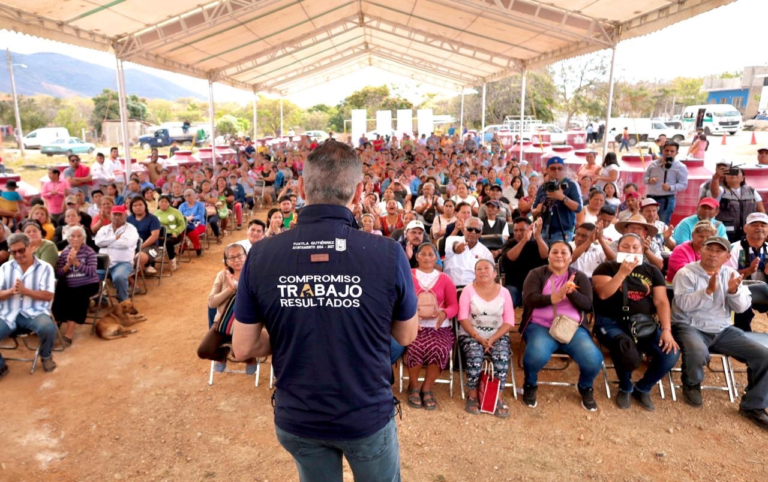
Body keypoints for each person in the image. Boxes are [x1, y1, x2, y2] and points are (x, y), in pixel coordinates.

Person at [232, 141, 418, 481]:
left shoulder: (260, 255)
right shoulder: (388, 253)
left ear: (301, 187)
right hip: (364, 414)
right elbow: (406, 335)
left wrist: (294, 327)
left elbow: (242, 347)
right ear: (360, 190)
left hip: (299, 416)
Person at [671, 236, 768, 430]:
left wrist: (733, 292)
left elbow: (741, 308)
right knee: (697, 351)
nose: (713, 254)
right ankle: (692, 383)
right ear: (701, 251)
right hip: (690, 325)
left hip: (722, 329)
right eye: (710, 249)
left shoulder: (730, 274)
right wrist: (707, 291)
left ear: (727, 256)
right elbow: (683, 305)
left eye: (719, 251)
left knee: (764, 356)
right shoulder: (686, 273)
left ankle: (753, 406)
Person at [592, 233, 680, 411]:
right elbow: (603, 293)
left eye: (635, 247)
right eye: (625, 246)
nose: (630, 250)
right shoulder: (605, 267)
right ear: (618, 248)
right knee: (624, 346)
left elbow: (661, 301)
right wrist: (622, 273)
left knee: (670, 353)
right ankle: (625, 386)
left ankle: (643, 388)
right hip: (611, 322)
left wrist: (666, 329)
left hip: (643, 323)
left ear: (642, 250)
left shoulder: (652, 271)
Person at [520, 241, 602, 410]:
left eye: (564, 252)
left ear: (571, 257)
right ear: (548, 256)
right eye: (554, 252)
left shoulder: (580, 277)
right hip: (540, 326)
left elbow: (587, 305)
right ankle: (530, 384)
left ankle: (585, 386)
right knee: (535, 356)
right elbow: (528, 299)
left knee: (593, 359)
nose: (559, 255)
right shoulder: (536, 273)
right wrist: (554, 298)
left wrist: (572, 294)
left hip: (572, 327)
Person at [457, 259, 515, 417]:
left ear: (495, 273)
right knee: (475, 355)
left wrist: (493, 338)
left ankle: (498, 396)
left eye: (486, 268)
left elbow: (510, 321)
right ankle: (473, 395)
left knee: (501, 356)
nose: (482, 271)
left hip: (498, 334)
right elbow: (462, 318)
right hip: (471, 334)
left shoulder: (504, 292)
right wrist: (478, 337)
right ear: (474, 273)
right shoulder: (468, 290)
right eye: (479, 269)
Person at [404, 243, 459, 411]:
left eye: (431, 254)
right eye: (423, 254)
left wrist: (444, 314)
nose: (427, 257)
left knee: (439, 348)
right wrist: (411, 319)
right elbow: (400, 301)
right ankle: (413, 386)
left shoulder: (445, 279)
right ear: (417, 256)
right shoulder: (408, 275)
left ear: (436, 258)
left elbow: (453, 306)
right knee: (415, 347)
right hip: (415, 325)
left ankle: (426, 388)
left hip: (438, 327)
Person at [0, 233, 57, 378]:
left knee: (48, 328)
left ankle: (46, 355)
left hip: (34, 312)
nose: (18, 255)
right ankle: (1, 366)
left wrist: (25, 291)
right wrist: (11, 291)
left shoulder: (45, 268)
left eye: (21, 250)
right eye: (14, 252)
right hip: (7, 312)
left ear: (30, 247)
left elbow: (48, 295)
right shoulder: (5, 268)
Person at [199, 243, 258, 373]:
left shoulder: (255, 274)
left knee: (238, 353)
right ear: (226, 261)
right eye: (231, 257)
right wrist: (230, 289)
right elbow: (212, 303)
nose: (236, 260)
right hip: (223, 322)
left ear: (246, 256)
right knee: (203, 351)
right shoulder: (222, 275)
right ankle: (222, 354)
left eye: (239, 256)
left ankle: (250, 359)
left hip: (247, 324)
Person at [53, 226, 99, 345]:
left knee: (76, 296)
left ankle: (69, 332)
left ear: (83, 238)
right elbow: (59, 274)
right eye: (72, 236)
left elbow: (92, 272)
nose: (76, 239)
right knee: (58, 294)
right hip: (69, 285)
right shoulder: (64, 253)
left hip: (88, 284)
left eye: (79, 236)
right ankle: (55, 324)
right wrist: (68, 264)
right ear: (68, 239)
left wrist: (76, 263)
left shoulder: (89, 251)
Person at [726, 212, 768, 332]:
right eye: (754, 225)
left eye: (763, 225)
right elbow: (728, 276)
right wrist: (748, 270)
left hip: (765, 290)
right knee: (742, 305)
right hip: (741, 289)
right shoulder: (734, 248)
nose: (759, 228)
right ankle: (742, 335)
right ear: (745, 228)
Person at [704, 165, 766, 243]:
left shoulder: (751, 191)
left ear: (743, 178)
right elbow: (714, 191)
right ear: (725, 178)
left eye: (736, 172)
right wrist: (716, 177)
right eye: (730, 172)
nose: (733, 174)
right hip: (725, 233)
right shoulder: (721, 190)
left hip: (747, 233)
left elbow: (761, 212)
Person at [95, 205, 140, 303]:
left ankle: (123, 301)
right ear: (110, 215)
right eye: (115, 214)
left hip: (123, 263)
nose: (117, 217)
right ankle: (100, 300)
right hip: (102, 263)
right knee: (90, 277)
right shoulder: (104, 229)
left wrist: (106, 243)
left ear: (125, 215)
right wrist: (115, 238)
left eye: (120, 215)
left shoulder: (131, 229)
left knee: (119, 277)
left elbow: (125, 243)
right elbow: (98, 242)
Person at [532, 157, 583, 242]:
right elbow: (533, 210)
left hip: (563, 231)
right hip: (543, 231)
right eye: (553, 168)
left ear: (564, 169)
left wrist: (562, 197)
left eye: (560, 168)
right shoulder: (543, 187)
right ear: (547, 170)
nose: (556, 171)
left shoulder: (571, 185)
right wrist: (538, 210)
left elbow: (578, 208)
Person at [501, 217, 548, 307]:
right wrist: (523, 240)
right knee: (507, 304)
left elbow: (545, 255)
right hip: (514, 285)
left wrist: (538, 236)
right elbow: (510, 257)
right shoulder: (509, 243)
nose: (518, 233)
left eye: (522, 230)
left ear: (530, 229)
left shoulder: (537, 242)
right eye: (515, 230)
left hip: (535, 285)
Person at [643, 141, 688, 225]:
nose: (669, 153)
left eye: (672, 151)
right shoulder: (653, 164)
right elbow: (644, 179)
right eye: (666, 150)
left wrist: (671, 187)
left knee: (662, 224)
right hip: (651, 199)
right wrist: (650, 180)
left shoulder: (680, 167)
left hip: (666, 200)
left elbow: (683, 185)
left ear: (676, 153)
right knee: (647, 223)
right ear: (662, 151)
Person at [444, 217, 494, 287]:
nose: (473, 232)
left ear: (481, 233)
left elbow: (489, 274)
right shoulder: (451, 239)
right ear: (464, 230)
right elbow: (454, 245)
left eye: (477, 230)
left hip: (473, 288)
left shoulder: (486, 253)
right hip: (449, 285)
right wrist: (456, 247)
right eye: (470, 229)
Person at [127, 196, 161, 275]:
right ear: (131, 208)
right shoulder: (128, 219)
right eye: (135, 205)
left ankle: (135, 274)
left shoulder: (153, 218)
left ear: (145, 206)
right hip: (131, 245)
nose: (138, 207)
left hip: (150, 246)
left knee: (139, 258)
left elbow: (154, 236)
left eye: (140, 205)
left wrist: (141, 246)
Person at [154, 195, 185, 271]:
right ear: (158, 203)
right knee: (152, 242)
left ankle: (172, 262)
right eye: (162, 201)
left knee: (168, 242)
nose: (163, 203)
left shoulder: (175, 212)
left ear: (169, 203)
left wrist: (176, 232)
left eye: (166, 202)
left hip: (173, 234)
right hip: (159, 235)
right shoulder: (155, 213)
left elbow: (182, 224)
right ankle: (151, 265)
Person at [179, 189, 207, 256]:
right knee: (180, 232)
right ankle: (184, 245)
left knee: (192, 232)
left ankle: (197, 247)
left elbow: (200, 216)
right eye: (185, 196)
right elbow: (179, 216)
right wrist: (187, 218)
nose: (188, 197)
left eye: (189, 195)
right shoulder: (182, 206)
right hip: (185, 224)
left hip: (199, 224)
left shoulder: (200, 205)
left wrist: (192, 218)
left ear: (194, 195)